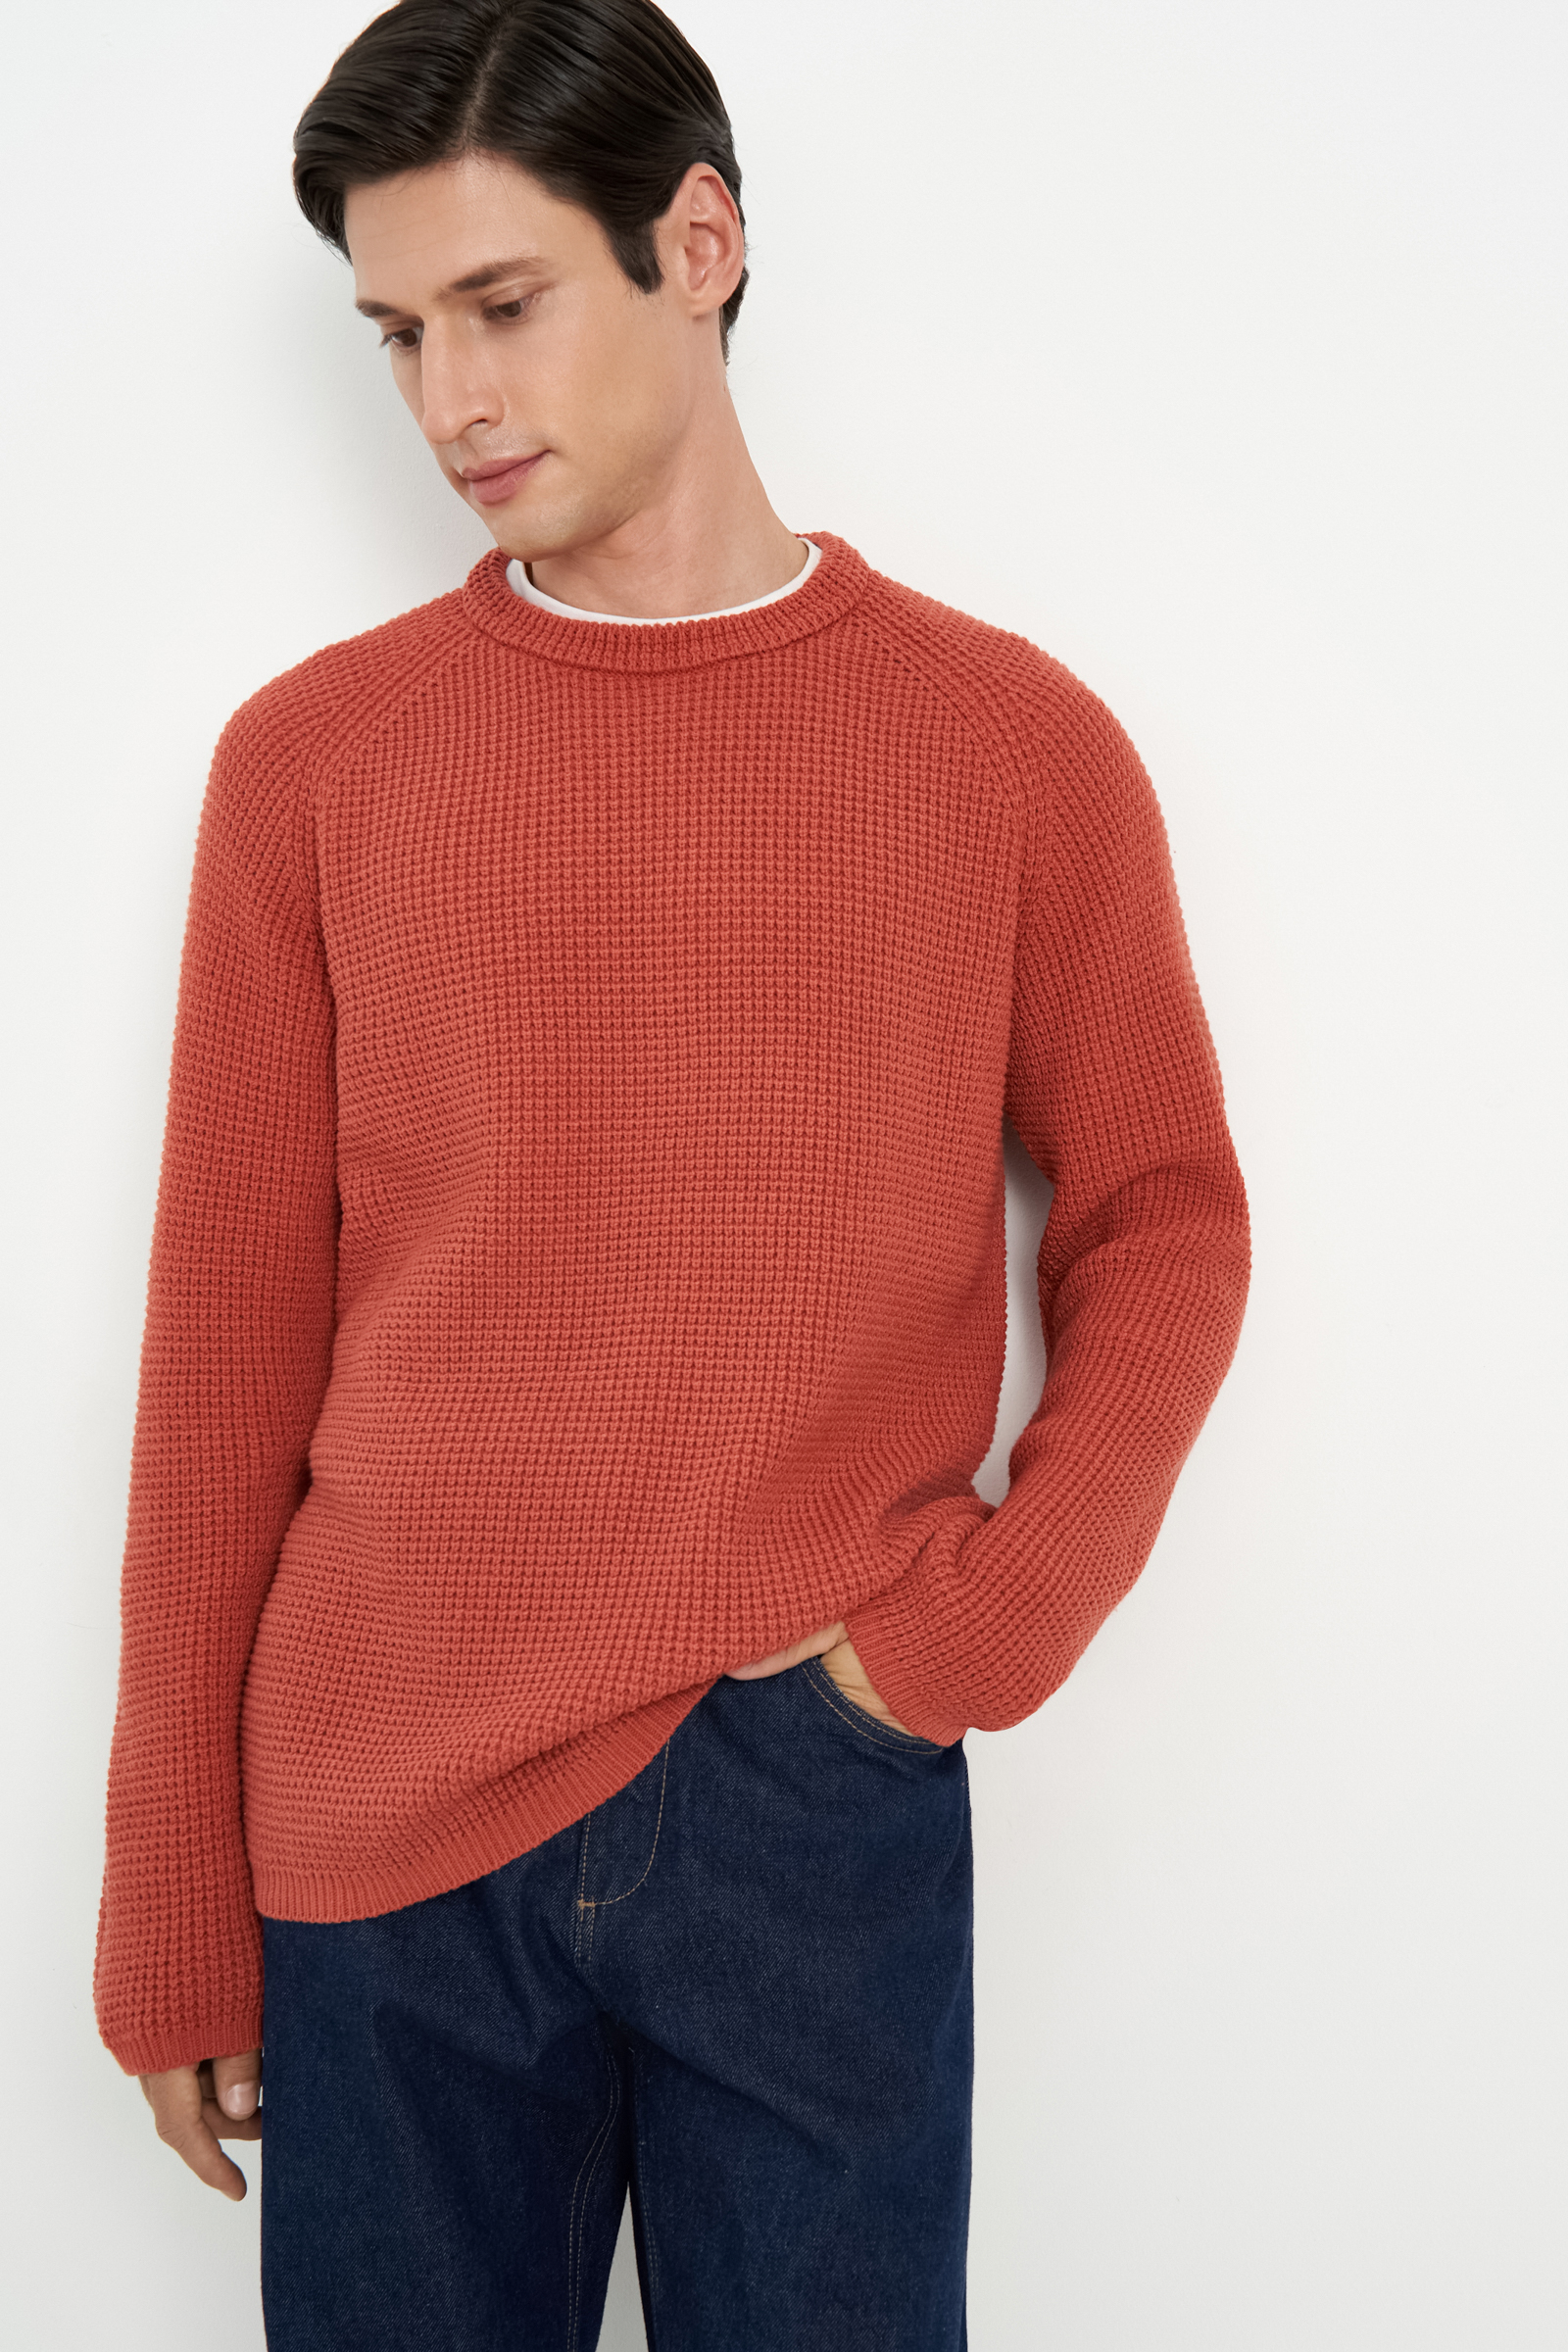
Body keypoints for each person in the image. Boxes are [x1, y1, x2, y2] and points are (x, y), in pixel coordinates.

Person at [93, 1, 1250, 2342]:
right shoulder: (313, 768)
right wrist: (169, 1898)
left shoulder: (1004, 749)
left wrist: (961, 1642)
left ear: (695, 243)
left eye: (501, 304)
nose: (450, 400)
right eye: (397, 333)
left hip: (798, 1789)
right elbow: (225, 1360)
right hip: (378, 1827)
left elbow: (1160, 1220)